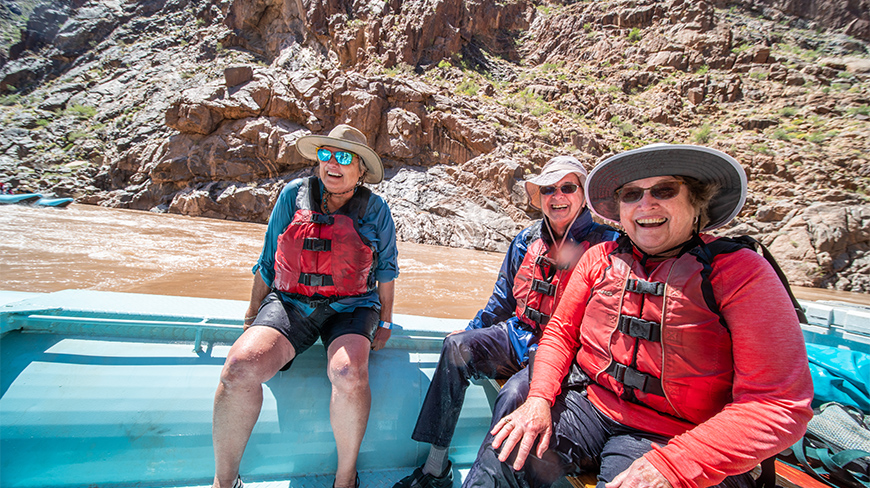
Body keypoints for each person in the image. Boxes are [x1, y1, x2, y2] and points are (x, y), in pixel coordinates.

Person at [463, 144, 815, 488]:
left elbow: (778, 404)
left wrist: (675, 465)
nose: (646, 204)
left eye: (664, 190)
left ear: (696, 203)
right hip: (591, 405)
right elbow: (559, 334)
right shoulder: (600, 258)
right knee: (506, 451)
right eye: (631, 194)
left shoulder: (740, 272)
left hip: (679, 436)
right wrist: (538, 398)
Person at [393, 156, 618, 488]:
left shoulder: (608, 245)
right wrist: (471, 331)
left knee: (513, 394)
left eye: (567, 188)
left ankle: (487, 483)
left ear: (583, 195)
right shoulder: (527, 240)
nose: (557, 196)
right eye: (548, 189)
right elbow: (500, 302)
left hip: (564, 352)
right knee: (456, 347)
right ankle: (435, 469)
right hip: (519, 334)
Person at [211, 124, 399, 488]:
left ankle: (345, 479)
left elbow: (387, 271)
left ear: (360, 170)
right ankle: (225, 481)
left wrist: (386, 321)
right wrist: (253, 314)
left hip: (352, 306)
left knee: (349, 374)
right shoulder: (292, 196)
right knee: (237, 369)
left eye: (344, 157)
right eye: (326, 154)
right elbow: (267, 259)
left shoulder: (375, 209)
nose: (333, 163)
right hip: (291, 302)